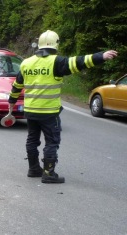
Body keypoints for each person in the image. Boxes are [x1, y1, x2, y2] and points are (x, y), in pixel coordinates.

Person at [8, 30, 117, 184]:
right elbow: (80, 61)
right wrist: (101, 56)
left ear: (39, 44)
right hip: (49, 112)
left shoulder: (26, 63)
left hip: (30, 111)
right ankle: (48, 173)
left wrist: (11, 103)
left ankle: (33, 169)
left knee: (32, 140)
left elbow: (17, 85)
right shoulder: (56, 62)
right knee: (52, 142)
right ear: (56, 44)